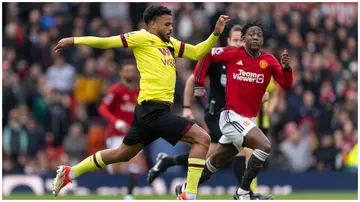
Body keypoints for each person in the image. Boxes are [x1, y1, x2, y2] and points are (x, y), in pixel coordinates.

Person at [52, 5, 230, 200]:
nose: (171, 28)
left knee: (122, 154)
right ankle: (189, 194)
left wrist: (214, 34)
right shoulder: (142, 37)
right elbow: (106, 42)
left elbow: (196, 53)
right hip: (153, 110)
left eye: (172, 24)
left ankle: (71, 173)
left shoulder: (169, 43)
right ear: (153, 24)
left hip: (151, 111)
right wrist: (74, 40)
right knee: (202, 139)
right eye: (167, 24)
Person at [147, 25, 272, 200]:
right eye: (234, 40)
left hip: (236, 116)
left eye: (240, 40)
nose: (238, 43)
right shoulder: (220, 59)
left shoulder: (247, 61)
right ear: (228, 41)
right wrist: (187, 108)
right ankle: (246, 194)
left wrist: (260, 94)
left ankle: (170, 165)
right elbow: (191, 81)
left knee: (212, 155)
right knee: (242, 151)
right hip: (218, 114)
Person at [175, 20, 293, 200]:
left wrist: (286, 69)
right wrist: (199, 83)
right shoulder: (232, 53)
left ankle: (184, 188)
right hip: (231, 117)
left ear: (262, 40)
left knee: (214, 162)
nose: (255, 37)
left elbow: (286, 84)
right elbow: (206, 54)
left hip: (248, 120)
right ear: (244, 38)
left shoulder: (268, 60)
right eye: (251, 34)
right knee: (265, 146)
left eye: (258, 35)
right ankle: (243, 192)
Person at [98, 61, 144, 200]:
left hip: (134, 134)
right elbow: (102, 108)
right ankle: (112, 186)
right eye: (127, 70)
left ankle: (129, 195)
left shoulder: (139, 92)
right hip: (116, 134)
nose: (130, 73)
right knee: (115, 167)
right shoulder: (116, 90)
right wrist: (116, 121)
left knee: (135, 161)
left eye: (132, 70)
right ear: (121, 73)